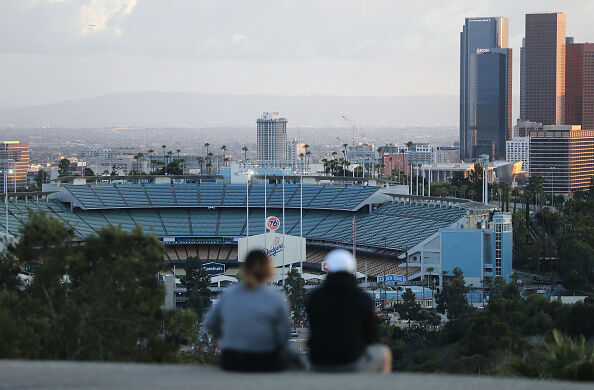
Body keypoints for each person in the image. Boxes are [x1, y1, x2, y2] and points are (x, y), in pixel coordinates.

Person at [205, 249, 294, 372]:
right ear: (268, 269)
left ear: (244, 268)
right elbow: (284, 334)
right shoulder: (274, 297)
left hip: (233, 358)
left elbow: (210, 323)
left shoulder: (229, 294)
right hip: (264, 358)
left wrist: (228, 336)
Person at [306, 249, 392, 372]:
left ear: (328, 269)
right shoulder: (362, 298)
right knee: (384, 352)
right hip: (351, 361)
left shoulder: (315, 297)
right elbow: (371, 337)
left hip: (319, 361)